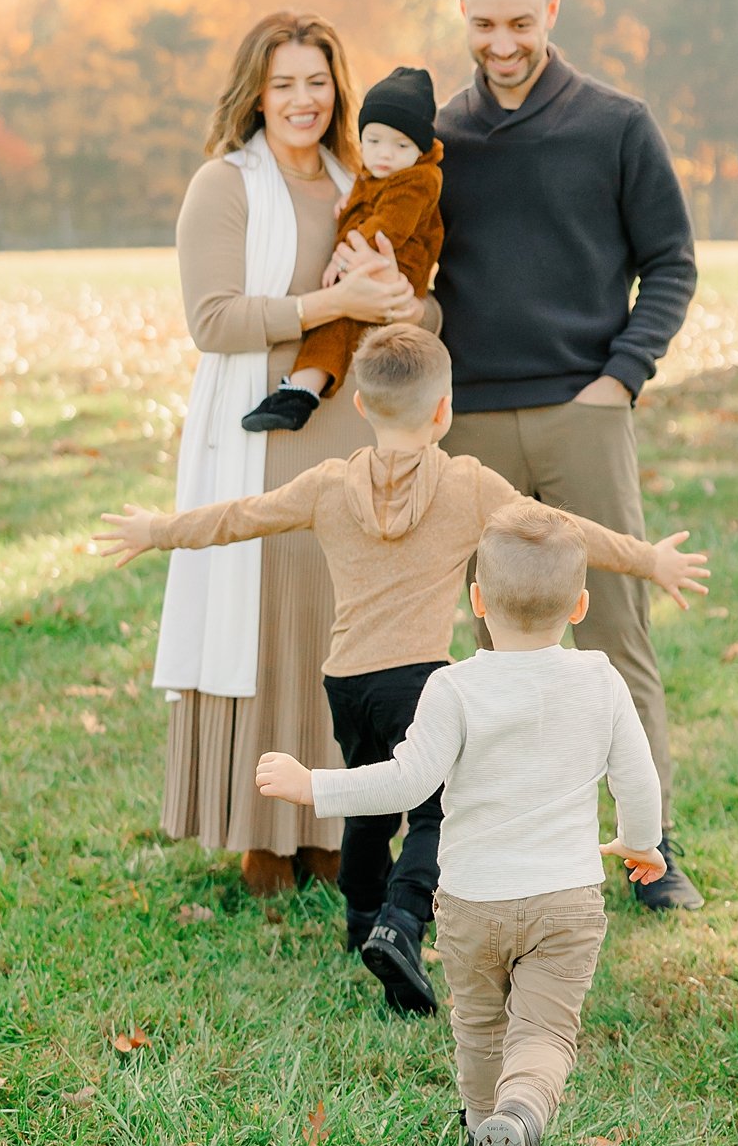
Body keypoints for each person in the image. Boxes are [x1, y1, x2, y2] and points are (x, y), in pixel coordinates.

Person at [96, 326, 707, 1012]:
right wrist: (646, 558)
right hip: (420, 683)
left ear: (360, 405)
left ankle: (361, 919)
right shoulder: (468, 484)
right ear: (443, 410)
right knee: (438, 810)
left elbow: (242, 517)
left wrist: (157, 530)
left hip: (347, 681)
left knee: (368, 803)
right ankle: (402, 920)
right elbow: (556, 529)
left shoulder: (328, 485)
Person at [256, 501, 668, 1146]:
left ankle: (488, 1135)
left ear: (475, 602)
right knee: (543, 1034)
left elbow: (406, 780)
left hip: (473, 903)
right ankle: (520, 1118)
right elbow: (637, 783)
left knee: (481, 1031)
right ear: (580, 605)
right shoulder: (600, 680)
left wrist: (314, 785)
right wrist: (642, 845)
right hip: (565, 902)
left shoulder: (453, 687)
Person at [436, 0, 703, 909]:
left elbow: (670, 261)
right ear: (462, 16)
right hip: (470, 431)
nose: (501, 43)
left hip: (585, 413)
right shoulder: (439, 139)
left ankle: (652, 849)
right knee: (483, 647)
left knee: (615, 633)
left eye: (518, 22)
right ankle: (486, 850)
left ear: (552, 10)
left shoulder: (618, 125)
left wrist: (621, 377)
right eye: (482, 24)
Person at [152, 11, 421, 899]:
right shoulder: (225, 186)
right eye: (284, 84)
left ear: (338, 89)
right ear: (255, 94)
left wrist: (400, 307)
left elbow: (414, 294)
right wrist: (326, 301)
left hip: (357, 437)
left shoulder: (370, 180)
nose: (303, 100)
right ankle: (262, 831)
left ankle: (330, 827)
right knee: (267, 630)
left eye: (317, 81)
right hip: (261, 439)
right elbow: (214, 320)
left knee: (338, 635)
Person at [242, 67, 444, 433]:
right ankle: (302, 390)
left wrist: (343, 256)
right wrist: (353, 199)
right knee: (339, 313)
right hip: (371, 260)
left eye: (401, 145)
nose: (385, 154)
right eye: (374, 141)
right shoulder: (377, 172)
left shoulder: (420, 178)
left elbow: (391, 225)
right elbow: (372, 192)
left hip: (399, 266)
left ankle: (302, 392)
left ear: (420, 149)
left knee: (340, 317)